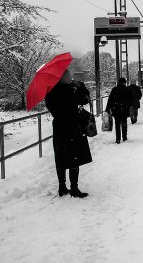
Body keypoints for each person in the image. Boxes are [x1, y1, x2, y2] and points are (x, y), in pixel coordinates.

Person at [45, 69, 91, 198]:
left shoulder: (50, 92)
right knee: (74, 158)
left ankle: (62, 187)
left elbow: (51, 107)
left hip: (59, 128)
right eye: (68, 75)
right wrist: (81, 86)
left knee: (60, 157)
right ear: (62, 77)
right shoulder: (70, 90)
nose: (70, 77)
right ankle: (74, 188)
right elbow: (85, 99)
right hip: (72, 127)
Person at [105, 77, 132, 143]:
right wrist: (128, 106)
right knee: (124, 123)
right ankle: (124, 137)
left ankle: (118, 139)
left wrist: (108, 109)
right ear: (124, 83)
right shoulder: (126, 89)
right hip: (124, 110)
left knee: (117, 124)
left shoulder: (114, 89)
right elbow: (130, 100)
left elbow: (110, 100)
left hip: (116, 110)